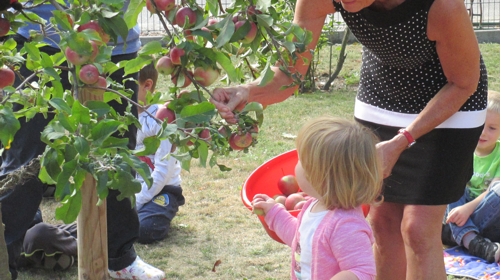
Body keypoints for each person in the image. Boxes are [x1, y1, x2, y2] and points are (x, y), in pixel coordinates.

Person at [210, 0, 488, 278]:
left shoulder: (442, 5)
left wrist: (403, 139)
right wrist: (248, 92)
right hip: (382, 96)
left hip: (451, 103)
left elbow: (464, 82)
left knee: (417, 230)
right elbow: (290, 73)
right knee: (381, 222)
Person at [0, 2, 165, 279]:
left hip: (117, 40)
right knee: (25, 157)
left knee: (115, 154)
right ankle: (5, 258)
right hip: (43, 37)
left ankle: (119, 258)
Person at [252, 116, 382, 280]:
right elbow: (300, 240)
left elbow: (363, 271)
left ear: (320, 176)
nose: (297, 164)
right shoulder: (313, 205)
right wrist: (274, 213)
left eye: (301, 161)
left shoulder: (345, 225)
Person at [442, 90, 500, 263]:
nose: (483, 133)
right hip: (459, 208)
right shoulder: (462, 149)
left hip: (486, 214)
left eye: (492, 128)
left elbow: (494, 189)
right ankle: (474, 242)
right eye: (480, 125)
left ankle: (453, 235)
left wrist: (468, 209)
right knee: (448, 179)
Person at [135, 62, 185, 244]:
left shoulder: (162, 119)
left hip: (163, 189)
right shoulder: (119, 118)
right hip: (130, 188)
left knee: (146, 229)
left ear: (147, 85)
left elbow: (163, 171)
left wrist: (137, 202)